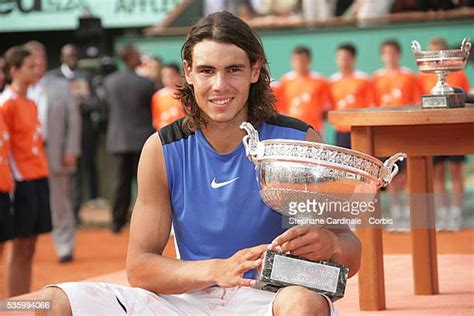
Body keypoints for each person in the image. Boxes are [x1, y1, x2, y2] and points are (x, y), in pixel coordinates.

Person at [41, 12, 361, 315]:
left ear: (254, 69)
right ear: (189, 72)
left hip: (273, 299)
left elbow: (351, 250)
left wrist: (331, 243)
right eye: (207, 71)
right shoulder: (161, 149)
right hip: (190, 298)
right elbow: (139, 267)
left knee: (302, 304)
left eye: (233, 69)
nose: (219, 85)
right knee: (53, 302)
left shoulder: (299, 141)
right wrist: (218, 269)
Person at [1, 46, 51, 297]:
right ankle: (12, 303)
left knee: (31, 244)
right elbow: (5, 149)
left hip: (38, 176)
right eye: (30, 67)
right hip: (20, 181)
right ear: (14, 71)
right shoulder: (6, 104)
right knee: (18, 245)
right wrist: (12, 181)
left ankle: (23, 299)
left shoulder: (30, 102)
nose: (36, 70)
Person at [25, 41, 81, 263]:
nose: (38, 63)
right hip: (25, 157)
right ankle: (26, 247)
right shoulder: (17, 90)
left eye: (41, 59)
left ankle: (64, 246)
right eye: (33, 60)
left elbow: (74, 119)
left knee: (60, 202)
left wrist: (71, 149)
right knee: (27, 202)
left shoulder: (60, 85)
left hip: (55, 151)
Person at [418, 37, 470, 230]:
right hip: (432, 131)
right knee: (437, 174)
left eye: (438, 52)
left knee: (456, 172)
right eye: (431, 52)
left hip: (454, 130)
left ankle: (456, 212)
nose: (435, 58)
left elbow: (464, 101)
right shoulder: (422, 76)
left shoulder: (458, 75)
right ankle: (443, 213)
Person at [103, 44, 155, 233]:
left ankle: (117, 222)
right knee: (144, 184)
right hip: (142, 139)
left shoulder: (109, 82)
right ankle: (145, 223)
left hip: (118, 139)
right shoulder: (146, 83)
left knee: (121, 182)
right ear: (131, 57)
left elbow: (105, 110)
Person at [373, 39, 420, 231]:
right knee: (389, 174)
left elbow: (415, 103)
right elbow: (373, 106)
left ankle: (408, 214)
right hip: (385, 132)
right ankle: (395, 213)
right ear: (382, 56)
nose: (390, 56)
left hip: (404, 131)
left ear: (398, 55)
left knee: (406, 175)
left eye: (393, 52)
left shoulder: (409, 76)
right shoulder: (376, 78)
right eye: (386, 52)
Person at [50, 44, 97, 224]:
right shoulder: (53, 77)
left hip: (81, 130)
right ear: (62, 58)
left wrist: (81, 104)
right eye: (70, 56)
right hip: (57, 133)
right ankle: (59, 214)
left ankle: (75, 213)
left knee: (78, 171)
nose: (73, 59)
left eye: (76, 56)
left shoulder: (85, 77)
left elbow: (95, 102)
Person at [278, 46, 331, 138]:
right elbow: (282, 108)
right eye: (296, 60)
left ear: (309, 61)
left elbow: (325, 109)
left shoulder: (320, 81)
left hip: (315, 129)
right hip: (292, 129)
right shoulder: (285, 81)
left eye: (303, 60)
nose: (299, 64)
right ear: (292, 61)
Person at [329, 43, 374, 149]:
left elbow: (371, 105)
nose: (343, 60)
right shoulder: (332, 81)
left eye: (346, 57)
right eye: (340, 57)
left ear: (353, 58)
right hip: (341, 130)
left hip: (360, 129)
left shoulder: (364, 80)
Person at [151, 63, 183, 130]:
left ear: (178, 75)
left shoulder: (186, 94)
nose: (167, 79)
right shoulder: (158, 96)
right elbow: (156, 120)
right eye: (164, 76)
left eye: (170, 76)